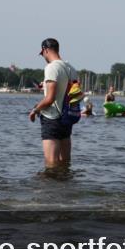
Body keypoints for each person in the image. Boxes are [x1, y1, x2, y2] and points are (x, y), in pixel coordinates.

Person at [28, 38, 78, 169]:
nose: (43, 57)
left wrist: (35, 110)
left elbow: (50, 99)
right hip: (67, 119)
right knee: (65, 164)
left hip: (52, 119)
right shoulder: (71, 68)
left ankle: (50, 183)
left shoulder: (51, 67)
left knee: (51, 164)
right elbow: (73, 94)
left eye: (42, 54)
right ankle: (64, 182)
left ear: (45, 50)